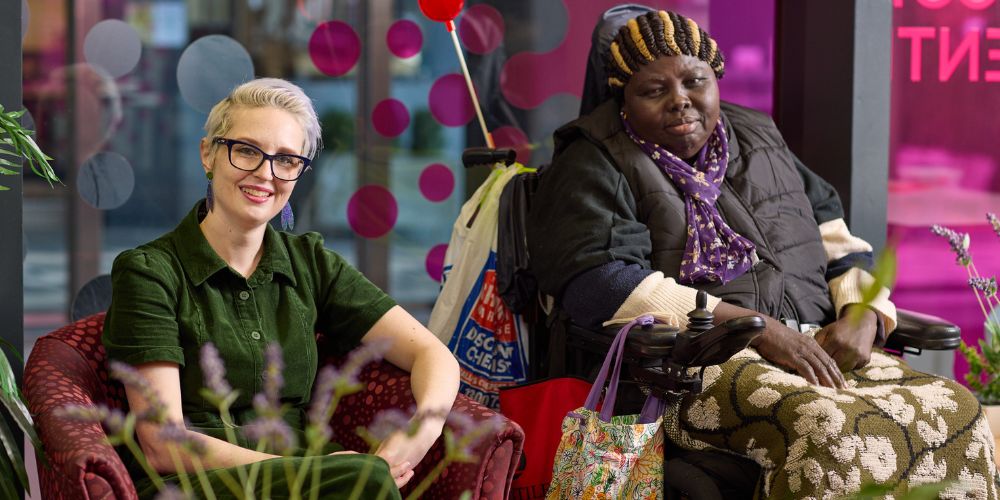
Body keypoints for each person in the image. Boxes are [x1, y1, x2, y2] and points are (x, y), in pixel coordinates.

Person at [526, 8, 997, 498]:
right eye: (654, 90)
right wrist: (758, 330)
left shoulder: (758, 134)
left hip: (813, 344)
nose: (680, 100)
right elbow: (598, 282)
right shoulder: (595, 156)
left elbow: (833, 234)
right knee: (826, 426)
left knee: (958, 410)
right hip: (688, 368)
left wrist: (864, 313)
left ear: (716, 80)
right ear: (623, 96)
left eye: (695, 81)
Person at [103, 78, 460, 499]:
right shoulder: (149, 272)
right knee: (364, 481)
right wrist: (316, 472)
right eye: (247, 150)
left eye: (286, 160)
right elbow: (164, 444)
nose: (265, 173)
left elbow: (431, 354)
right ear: (208, 154)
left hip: (315, 481)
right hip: (195, 484)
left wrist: (420, 433)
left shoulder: (311, 263)